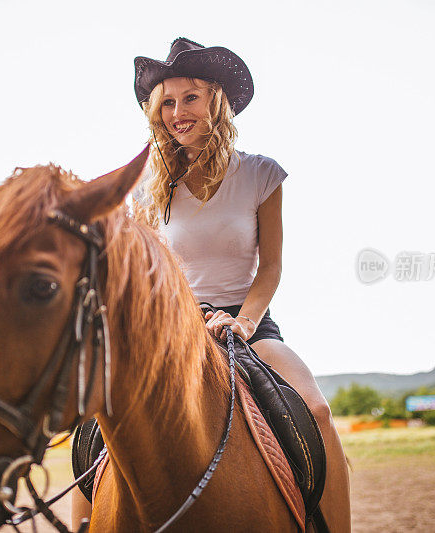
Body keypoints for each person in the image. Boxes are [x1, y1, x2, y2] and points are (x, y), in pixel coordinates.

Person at [73, 37, 351, 532]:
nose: (178, 112)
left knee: (316, 409)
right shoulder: (148, 188)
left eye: (190, 98)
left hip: (248, 322)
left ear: (216, 99)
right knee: (98, 419)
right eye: (168, 103)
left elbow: (270, 267)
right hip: (172, 326)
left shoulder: (261, 174)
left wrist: (243, 323)